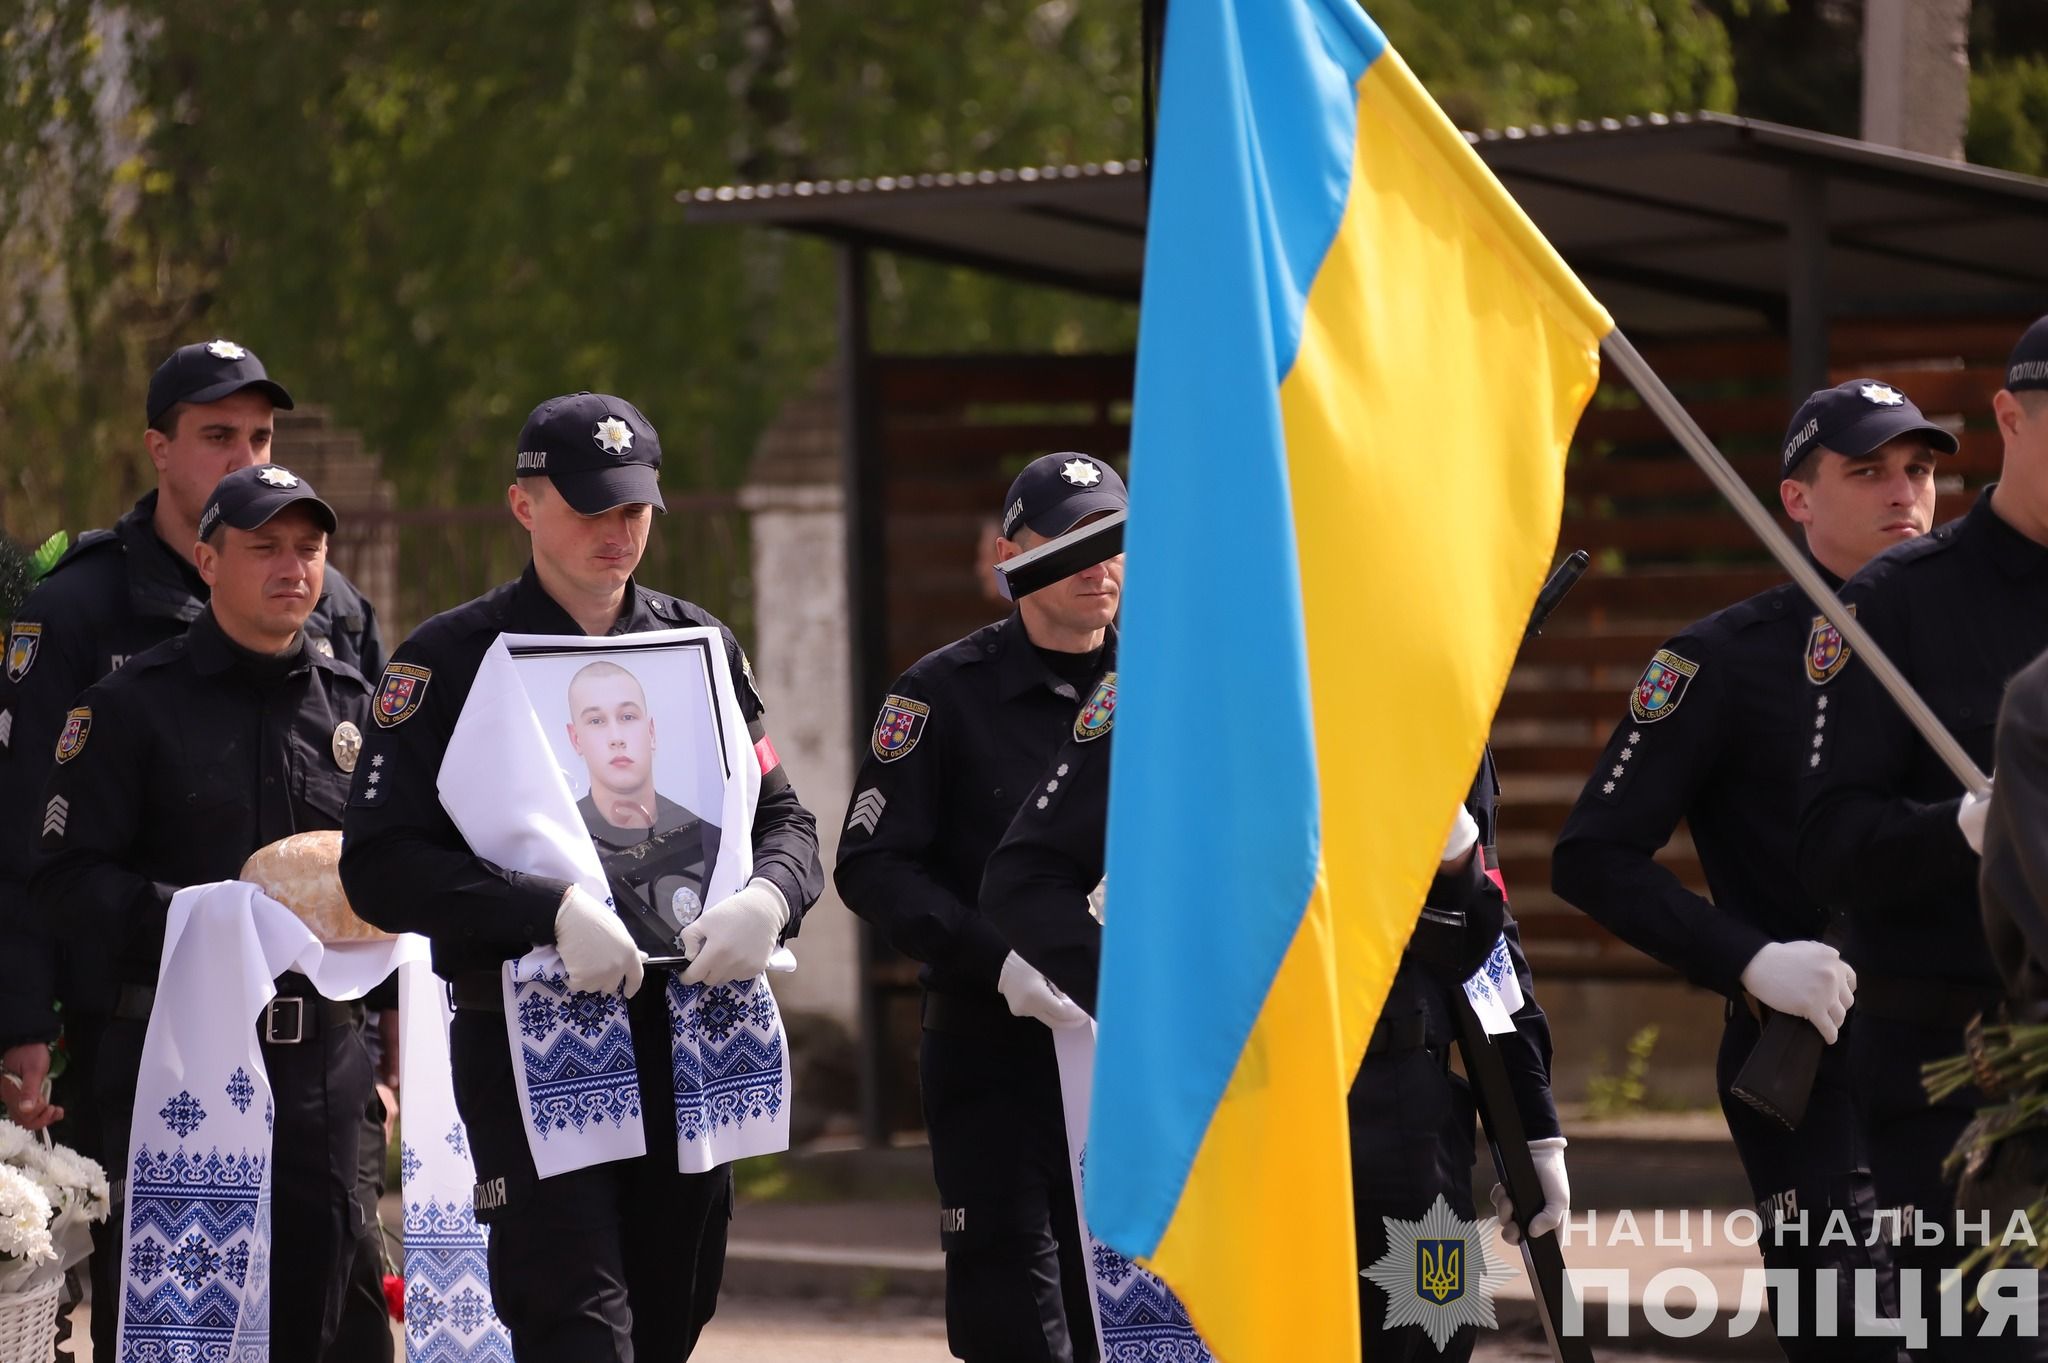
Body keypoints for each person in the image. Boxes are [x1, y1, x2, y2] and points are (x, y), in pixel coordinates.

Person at [338, 390, 822, 1361]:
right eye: (591, 506)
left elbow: (785, 818)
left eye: (633, 508)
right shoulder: (452, 660)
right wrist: (543, 910)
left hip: (690, 1032)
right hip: (528, 1040)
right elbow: (381, 864)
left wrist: (767, 897)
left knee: (670, 1314)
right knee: (575, 1323)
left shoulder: (698, 648)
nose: (617, 531)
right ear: (524, 505)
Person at [1553, 377, 1954, 1359]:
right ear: (1795, 498)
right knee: (1858, 1339)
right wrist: (1745, 957)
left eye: (1917, 470)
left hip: (1967, 1054)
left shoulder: (1977, 639)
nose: (1902, 492)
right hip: (1819, 1069)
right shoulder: (1720, 662)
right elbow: (1592, 855)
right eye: (1865, 472)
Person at [983, 699, 1564, 1363]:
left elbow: (1487, 933)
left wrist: (1531, 1120)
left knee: (1437, 1333)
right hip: (1247, 1101)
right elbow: (1024, 879)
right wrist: (1152, 1010)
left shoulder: (1427, 682)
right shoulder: (1185, 669)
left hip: (1409, 1110)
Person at [27, 465, 378, 1363]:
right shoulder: (127, 706)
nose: (293, 567)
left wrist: (389, 1054)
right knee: (176, 1333)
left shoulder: (356, 711)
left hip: (322, 1070)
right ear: (208, 559)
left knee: (326, 1325)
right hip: (169, 1061)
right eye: (265, 547)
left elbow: (392, 889)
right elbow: (65, 880)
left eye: (309, 548)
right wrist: (203, 920)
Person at [0, 339, 384, 1122]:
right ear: (159, 449)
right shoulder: (78, 608)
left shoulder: (330, 605)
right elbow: (24, 830)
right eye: (218, 435)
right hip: (142, 1027)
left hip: (316, 1049)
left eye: (261, 437)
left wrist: (391, 1037)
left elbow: (381, 827)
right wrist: (23, 1021)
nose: (245, 458)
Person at [836, 450, 1128, 1363]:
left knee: (1139, 1314)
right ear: (1011, 555)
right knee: (1017, 1322)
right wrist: (995, 962)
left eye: (1118, 541)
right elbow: (873, 866)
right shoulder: (940, 696)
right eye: (1071, 542)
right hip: (995, 1053)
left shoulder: (1171, 687)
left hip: (1132, 1057)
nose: (1100, 564)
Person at [1798, 320, 2048, 1363]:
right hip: (1963, 1084)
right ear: (2007, 417)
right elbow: (1828, 843)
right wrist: (1968, 825)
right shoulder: (1894, 603)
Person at [565, 659, 722, 947]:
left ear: (650, 731)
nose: (616, 738)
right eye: (596, 721)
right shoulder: (559, 841)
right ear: (575, 739)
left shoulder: (708, 836)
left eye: (627, 717)